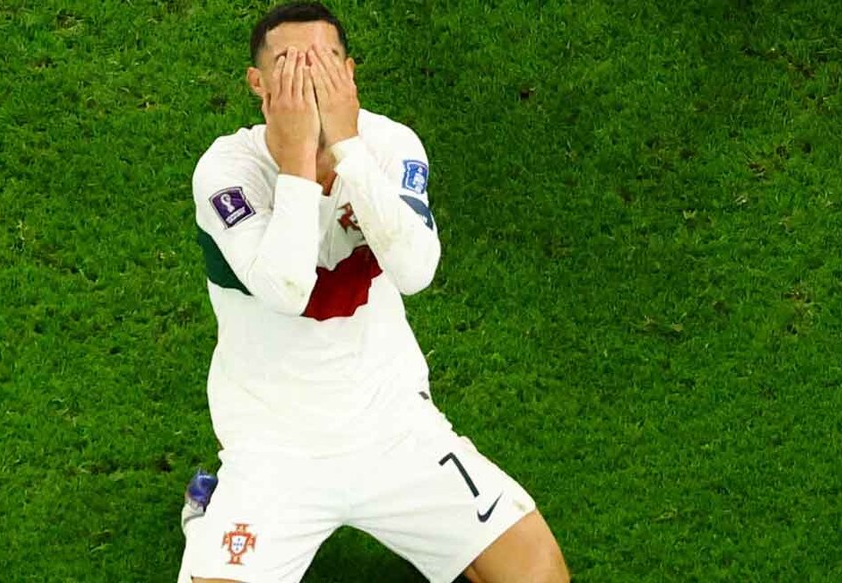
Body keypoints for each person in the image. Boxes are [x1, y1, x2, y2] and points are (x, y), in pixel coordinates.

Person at [178, 3, 569, 582]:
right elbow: (286, 290)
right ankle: (209, 521)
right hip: (273, 448)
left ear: (349, 74)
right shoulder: (227, 171)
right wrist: (297, 160)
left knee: (539, 575)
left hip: (395, 428)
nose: (308, 80)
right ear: (258, 84)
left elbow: (415, 271)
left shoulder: (390, 145)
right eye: (289, 66)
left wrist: (348, 149)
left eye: (323, 64)